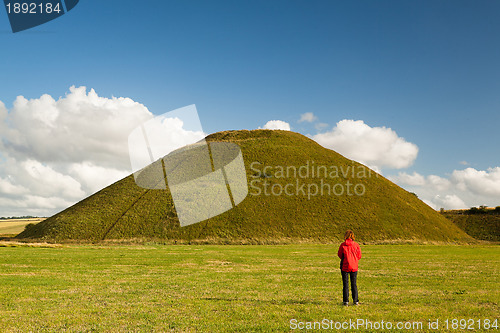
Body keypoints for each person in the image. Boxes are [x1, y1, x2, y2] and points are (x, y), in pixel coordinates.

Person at [337, 230, 362, 306]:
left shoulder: (343, 245)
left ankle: (346, 301)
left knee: (345, 284)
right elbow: (359, 256)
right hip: (354, 266)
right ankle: (355, 301)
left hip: (345, 266)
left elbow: (339, 255)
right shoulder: (356, 245)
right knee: (354, 284)